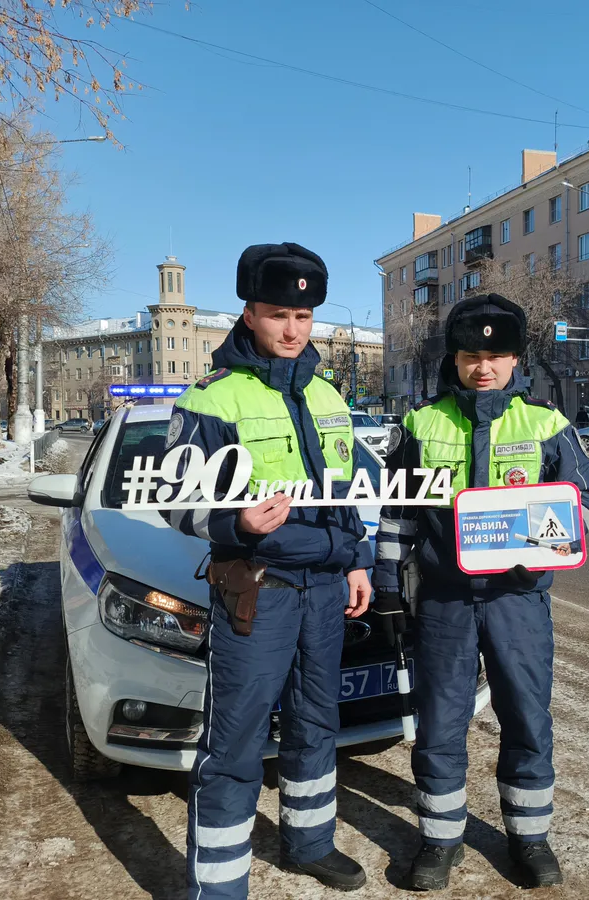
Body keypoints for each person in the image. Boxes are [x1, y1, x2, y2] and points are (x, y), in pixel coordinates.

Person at [162, 242, 374, 899]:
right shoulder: (213, 399)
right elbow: (176, 501)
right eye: (278, 314)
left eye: (303, 317)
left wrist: (358, 560)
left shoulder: (329, 397)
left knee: (317, 726)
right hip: (258, 592)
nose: (291, 329)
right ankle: (219, 887)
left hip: (326, 590)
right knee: (235, 743)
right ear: (250, 313)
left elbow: (349, 492)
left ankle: (310, 844)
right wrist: (239, 524)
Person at [373, 293, 589, 891]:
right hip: (445, 602)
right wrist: (389, 588)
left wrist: (542, 549)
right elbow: (397, 515)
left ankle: (529, 838)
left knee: (526, 717)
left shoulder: (547, 424)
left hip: (517, 602)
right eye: (472, 356)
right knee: (439, 723)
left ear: (515, 358)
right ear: (455, 359)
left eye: (496, 356)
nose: (484, 367)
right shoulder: (422, 423)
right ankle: (440, 839)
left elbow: (584, 501)